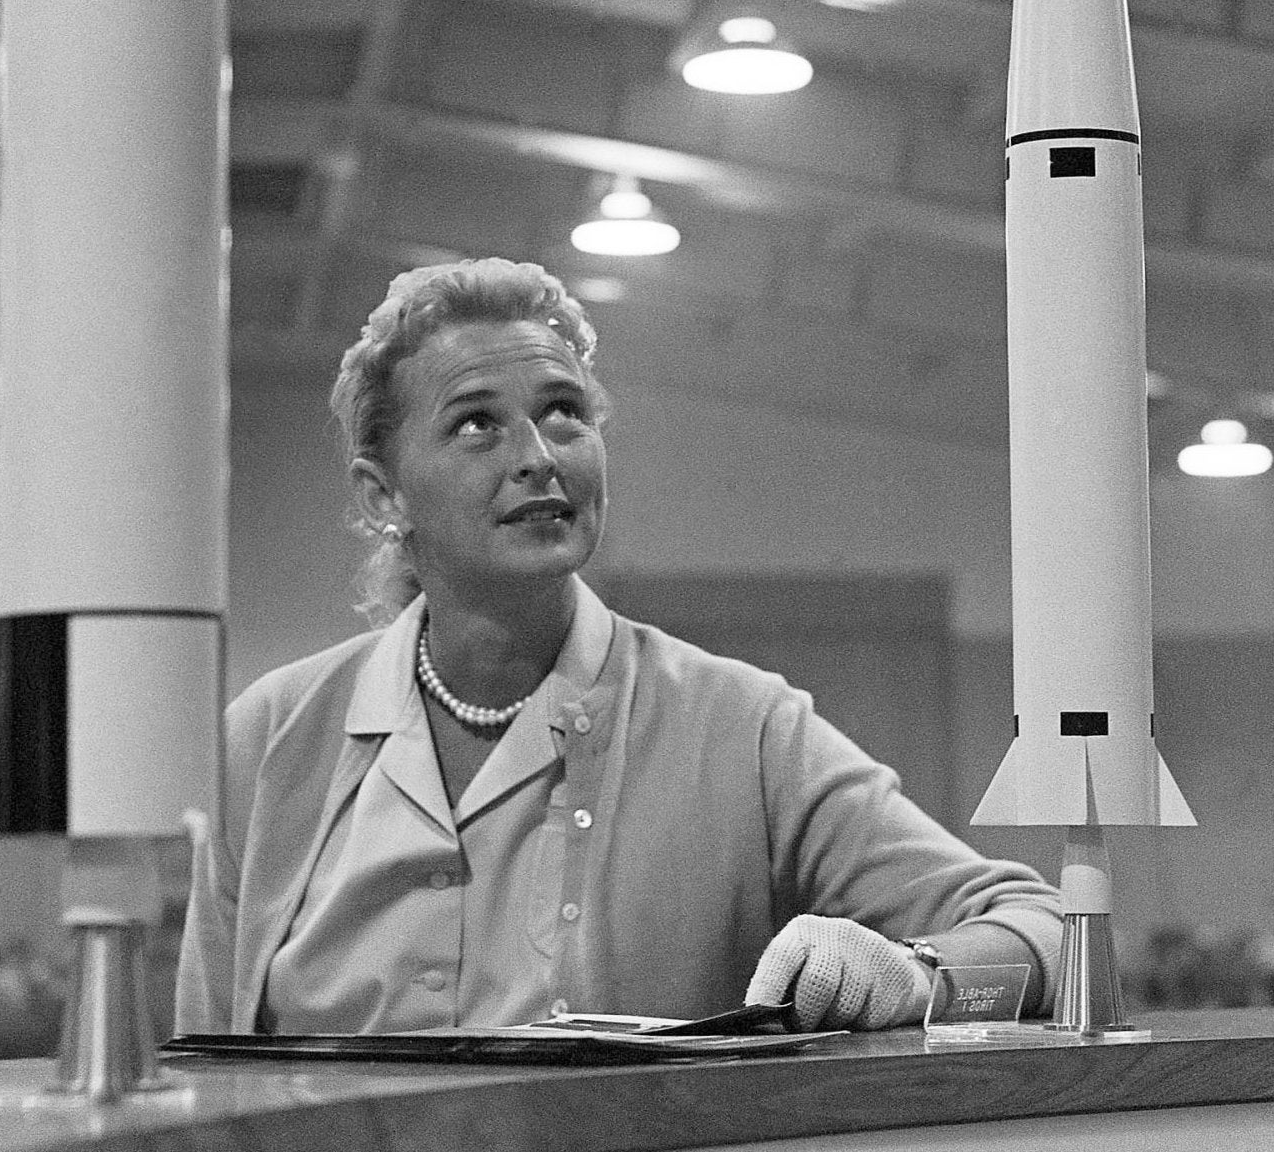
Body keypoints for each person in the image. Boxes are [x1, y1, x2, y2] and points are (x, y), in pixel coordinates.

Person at [177, 258, 1062, 1034]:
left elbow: (1039, 931)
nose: (536, 456)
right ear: (382, 496)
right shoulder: (267, 741)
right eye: (476, 423)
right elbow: (203, 1071)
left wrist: (914, 976)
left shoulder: (741, 731)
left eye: (562, 413)